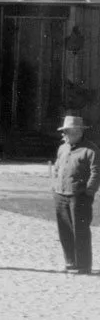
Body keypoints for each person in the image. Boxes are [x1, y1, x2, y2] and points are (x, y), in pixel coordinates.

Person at [55, 114, 97, 275]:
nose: (64, 135)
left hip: (79, 196)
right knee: (64, 230)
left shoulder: (90, 150)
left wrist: (89, 192)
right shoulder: (62, 148)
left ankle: (84, 265)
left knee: (81, 230)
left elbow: (96, 172)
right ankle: (70, 262)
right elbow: (58, 167)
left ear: (78, 132)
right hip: (60, 194)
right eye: (64, 132)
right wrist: (55, 186)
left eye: (67, 132)